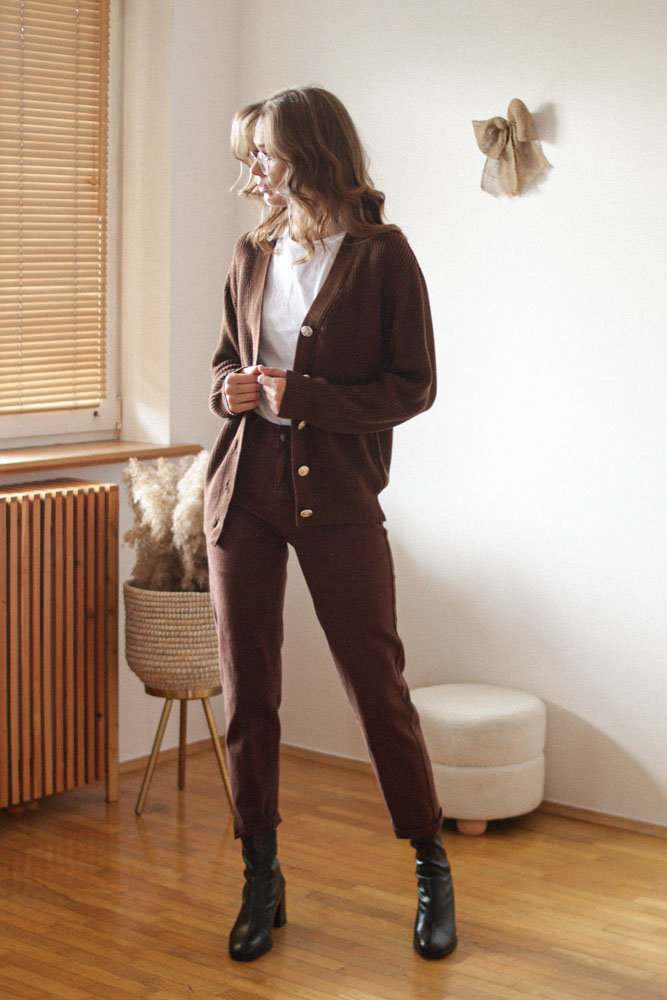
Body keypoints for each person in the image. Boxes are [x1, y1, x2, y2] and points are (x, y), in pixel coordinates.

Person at [204, 86, 456, 964]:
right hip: (244, 490)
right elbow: (224, 358)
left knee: (374, 682)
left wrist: (303, 396)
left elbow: (412, 387)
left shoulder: (383, 257)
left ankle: (430, 866)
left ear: (310, 154)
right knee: (248, 694)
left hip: (337, 494)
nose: (253, 171)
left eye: (265, 153)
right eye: (249, 155)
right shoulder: (251, 252)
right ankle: (260, 878)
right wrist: (230, 389)